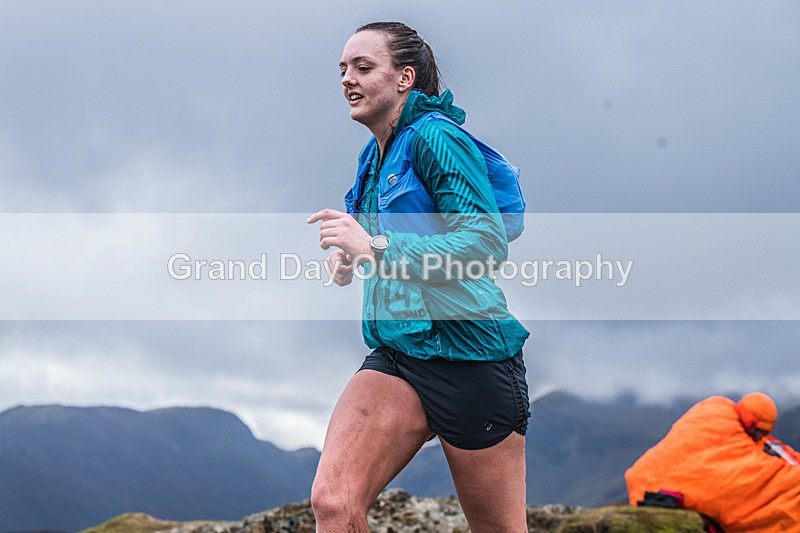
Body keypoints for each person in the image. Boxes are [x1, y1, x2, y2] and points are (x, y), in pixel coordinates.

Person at [306, 22, 531, 532]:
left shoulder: (438, 138)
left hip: (470, 357)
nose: (347, 79)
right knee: (334, 504)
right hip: (399, 353)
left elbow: (484, 244)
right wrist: (353, 261)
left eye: (363, 68)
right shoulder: (374, 154)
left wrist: (376, 247)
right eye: (343, 69)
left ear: (406, 77)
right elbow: (380, 246)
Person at [625, 393, 800, 531]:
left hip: (644, 482)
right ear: (750, 419)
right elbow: (742, 475)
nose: (759, 436)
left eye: (763, 432)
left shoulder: (722, 414)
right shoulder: (714, 415)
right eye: (757, 430)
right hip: (655, 480)